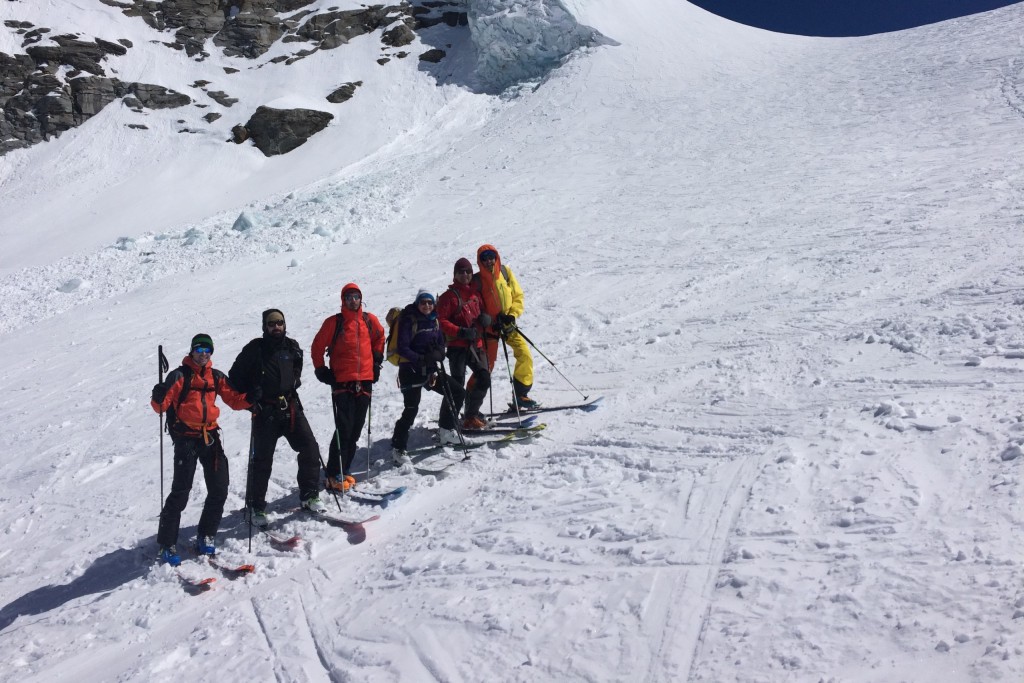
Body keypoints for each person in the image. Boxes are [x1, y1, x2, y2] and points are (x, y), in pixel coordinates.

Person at [150, 334, 251, 566]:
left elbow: (234, 400)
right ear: (191, 351)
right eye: (199, 350)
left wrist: (251, 398)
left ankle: (206, 534)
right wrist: (157, 396)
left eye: (207, 350)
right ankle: (167, 542)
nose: (203, 354)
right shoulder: (178, 376)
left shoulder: (216, 376)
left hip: (210, 436)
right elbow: (161, 407)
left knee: (219, 487)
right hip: (186, 439)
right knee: (181, 491)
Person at [229, 309, 325, 522]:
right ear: (265, 326)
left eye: (280, 322)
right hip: (265, 412)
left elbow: (297, 368)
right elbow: (234, 378)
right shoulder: (255, 349)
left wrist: (293, 383)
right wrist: (250, 399)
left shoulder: (292, 346)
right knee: (262, 460)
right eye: (272, 323)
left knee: (310, 448)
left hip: (290, 408)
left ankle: (309, 495)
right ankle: (256, 507)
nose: (276, 327)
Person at [311, 283, 385, 492]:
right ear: (343, 300)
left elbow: (380, 337)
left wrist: (377, 360)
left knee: (356, 428)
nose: (353, 300)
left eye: (356, 297)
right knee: (344, 427)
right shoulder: (334, 323)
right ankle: (333, 472)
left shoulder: (369, 321)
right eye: (349, 297)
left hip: (366, 380)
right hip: (342, 380)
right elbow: (317, 346)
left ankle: (344, 470)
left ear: (361, 299)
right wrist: (320, 369)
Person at [390, 289, 463, 463]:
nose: (427, 306)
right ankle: (398, 448)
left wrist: (438, 353)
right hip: (411, 371)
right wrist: (422, 359)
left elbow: (440, 343)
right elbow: (403, 347)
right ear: (417, 303)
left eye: (430, 302)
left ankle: (446, 430)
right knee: (411, 409)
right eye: (423, 302)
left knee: (457, 391)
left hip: (430, 371)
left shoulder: (434, 320)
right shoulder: (409, 320)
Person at [473, 244, 537, 408]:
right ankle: (470, 406)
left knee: (525, 354)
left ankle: (521, 395)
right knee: (485, 367)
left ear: (496, 257)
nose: (488, 260)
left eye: (491, 256)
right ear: (480, 261)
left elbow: (518, 296)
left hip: (507, 324)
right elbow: (473, 306)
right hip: (490, 329)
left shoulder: (505, 273)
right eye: (484, 258)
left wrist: (512, 315)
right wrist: (486, 319)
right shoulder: (477, 280)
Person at [437, 257, 492, 430]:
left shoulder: (475, 295)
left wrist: (486, 319)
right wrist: (460, 332)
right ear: (455, 275)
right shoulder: (448, 298)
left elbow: (484, 313)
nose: (466, 275)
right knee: (457, 386)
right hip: (457, 348)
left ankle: (470, 415)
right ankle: (447, 422)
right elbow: (441, 321)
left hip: (476, 345)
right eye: (461, 272)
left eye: (468, 271)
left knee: (483, 377)